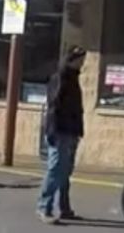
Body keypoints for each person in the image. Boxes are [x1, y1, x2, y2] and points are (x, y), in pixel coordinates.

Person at [36, 45, 87, 224]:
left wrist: (79, 130)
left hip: (71, 131)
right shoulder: (60, 78)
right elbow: (53, 107)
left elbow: (77, 109)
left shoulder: (73, 79)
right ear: (71, 60)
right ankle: (44, 206)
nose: (82, 63)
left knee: (65, 171)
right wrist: (52, 131)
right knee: (56, 168)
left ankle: (64, 208)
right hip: (60, 130)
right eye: (80, 59)